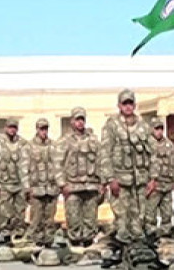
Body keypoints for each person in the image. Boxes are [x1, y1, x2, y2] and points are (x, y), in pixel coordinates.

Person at [101, 89, 155, 254]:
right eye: (124, 103)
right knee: (122, 219)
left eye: (130, 103)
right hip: (120, 180)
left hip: (141, 180)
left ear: (134, 105)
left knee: (140, 217)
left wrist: (153, 178)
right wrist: (110, 179)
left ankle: (138, 252)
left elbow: (153, 153)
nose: (128, 106)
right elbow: (105, 153)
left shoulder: (143, 126)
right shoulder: (111, 125)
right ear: (119, 105)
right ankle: (123, 251)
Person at [55, 107, 103, 246]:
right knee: (73, 219)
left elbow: (101, 161)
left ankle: (88, 246)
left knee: (90, 220)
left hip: (91, 186)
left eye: (82, 119)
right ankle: (75, 247)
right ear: (72, 121)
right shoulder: (64, 141)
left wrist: (102, 184)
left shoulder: (93, 140)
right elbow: (57, 163)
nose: (80, 122)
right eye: (77, 119)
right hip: (72, 187)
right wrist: (62, 185)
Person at [0, 118, 30, 242]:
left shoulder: (23, 143)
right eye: (10, 127)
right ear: (5, 128)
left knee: (20, 212)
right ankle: (4, 236)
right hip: (3, 183)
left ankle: (18, 235)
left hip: (19, 183)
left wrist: (27, 185)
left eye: (14, 127)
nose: (12, 130)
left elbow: (27, 164)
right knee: (4, 212)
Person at [25, 118, 59, 245]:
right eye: (41, 129)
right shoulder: (29, 147)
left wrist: (60, 184)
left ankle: (49, 241)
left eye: (45, 129)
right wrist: (27, 188)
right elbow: (24, 168)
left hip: (51, 188)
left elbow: (59, 166)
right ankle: (36, 242)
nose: (44, 131)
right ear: (37, 129)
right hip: (36, 188)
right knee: (36, 217)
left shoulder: (53, 146)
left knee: (50, 218)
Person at [146, 117, 174, 237]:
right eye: (156, 128)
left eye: (161, 128)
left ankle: (166, 235)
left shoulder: (169, 144)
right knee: (150, 213)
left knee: (167, 212)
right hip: (153, 185)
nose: (159, 131)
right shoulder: (147, 144)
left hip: (167, 184)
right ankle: (151, 235)